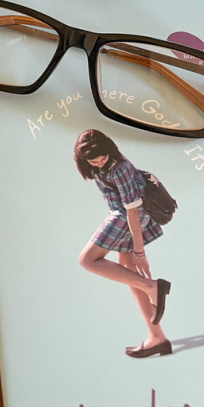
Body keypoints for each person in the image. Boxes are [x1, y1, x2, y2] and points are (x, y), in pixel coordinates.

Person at [74, 129, 172, 357]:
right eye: (93, 160)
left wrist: (139, 251)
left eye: (102, 157)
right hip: (123, 215)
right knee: (130, 274)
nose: (99, 162)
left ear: (109, 150)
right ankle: (157, 337)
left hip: (129, 216)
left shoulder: (120, 168)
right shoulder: (100, 168)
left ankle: (153, 287)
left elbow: (133, 212)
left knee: (87, 260)